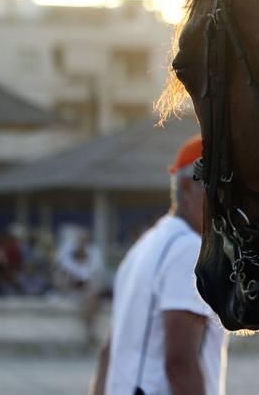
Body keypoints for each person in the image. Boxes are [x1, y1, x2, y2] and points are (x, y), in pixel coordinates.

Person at [91, 136, 226, 395]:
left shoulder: (146, 244)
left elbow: (110, 351)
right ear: (187, 188)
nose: (226, 202)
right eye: (217, 188)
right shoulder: (187, 249)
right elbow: (179, 364)